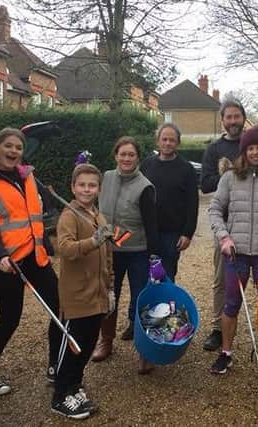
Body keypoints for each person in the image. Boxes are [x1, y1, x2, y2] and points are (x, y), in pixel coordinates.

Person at [0, 128, 60, 395]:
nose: (14, 152)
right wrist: (0, 255)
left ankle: (55, 365)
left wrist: (49, 192)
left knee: (59, 309)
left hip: (36, 256)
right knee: (10, 320)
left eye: (18, 147)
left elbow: (46, 203)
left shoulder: (27, 176)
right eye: (8, 146)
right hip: (8, 262)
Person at [208, 126, 258, 378]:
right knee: (231, 304)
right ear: (244, 151)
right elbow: (214, 210)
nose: (254, 152)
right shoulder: (230, 178)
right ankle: (226, 353)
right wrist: (224, 237)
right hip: (236, 252)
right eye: (250, 148)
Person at [200, 99, 258, 352]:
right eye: (228, 117)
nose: (233, 121)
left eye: (236, 116)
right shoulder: (214, 149)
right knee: (222, 280)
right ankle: (217, 328)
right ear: (223, 120)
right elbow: (206, 183)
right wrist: (232, 174)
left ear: (244, 118)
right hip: (227, 224)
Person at [51, 163, 115, 419]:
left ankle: (74, 386)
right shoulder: (69, 215)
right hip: (77, 296)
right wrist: (93, 241)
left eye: (92, 185)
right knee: (73, 347)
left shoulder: (98, 215)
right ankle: (60, 395)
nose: (86, 189)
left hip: (97, 295)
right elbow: (65, 249)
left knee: (88, 345)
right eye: (82, 185)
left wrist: (109, 288)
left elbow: (107, 255)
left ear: (98, 189)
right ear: (73, 187)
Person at [91, 136, 159, 375]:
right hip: (110, 251)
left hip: (138, 252)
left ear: (137, 157)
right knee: (109, 296)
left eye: (131, 154)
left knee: (142, 301)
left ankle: (145, 351)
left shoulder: (145, 186)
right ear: (116, 155)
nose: (127, 158)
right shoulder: (106, 178)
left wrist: (154, 257)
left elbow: (152, 226)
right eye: (123, 154)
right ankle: (106, 341)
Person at [140, 123, 199, 281]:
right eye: (164, 139)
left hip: (171, 234)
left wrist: (187, 233)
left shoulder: (186, 169)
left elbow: (192, 203)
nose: (167, 143)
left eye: (171, 140)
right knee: (145, 275)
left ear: (177, 143)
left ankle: (166, 306)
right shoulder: (146, 165)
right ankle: (147, 306)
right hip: (147, 231)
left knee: (166, 275)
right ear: (157, 141)